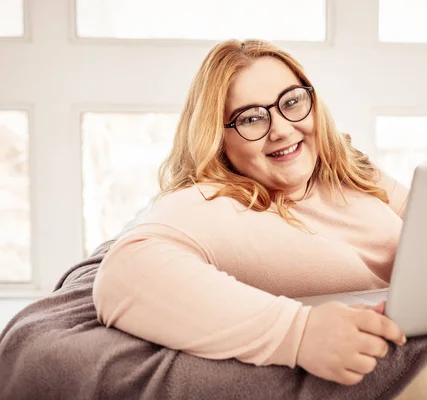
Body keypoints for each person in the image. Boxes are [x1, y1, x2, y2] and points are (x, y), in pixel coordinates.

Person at [92, 39, 410, 386]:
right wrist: (298, 334)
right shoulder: (213, 201)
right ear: (217, 136)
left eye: (292, 101)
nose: (282, 129)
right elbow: (126, 271)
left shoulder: (351, 168)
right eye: (252, 118)